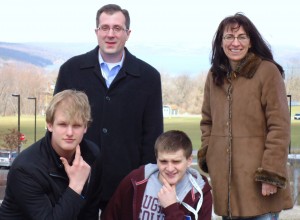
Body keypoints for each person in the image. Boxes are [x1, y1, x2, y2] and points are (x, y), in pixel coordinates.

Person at [54, 4, 163, 211]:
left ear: (128, 33)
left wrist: (143, 182)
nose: (110, 34)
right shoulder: (70, 70)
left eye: (117, 28)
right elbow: (56, 128)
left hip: (127, 184)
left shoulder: (149, 77)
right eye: (104, 28)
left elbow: (153, 137)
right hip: (76, 181)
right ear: (96, 32)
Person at [197, 12, 293, 219]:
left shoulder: (267, 71)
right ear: (220, 42)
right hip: (226, 185)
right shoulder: (215, 76)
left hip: (259, 184)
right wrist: (209, 154)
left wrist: (270, 174)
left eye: (242, 37)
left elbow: (279, 126)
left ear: (251, 42)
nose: (235, 43)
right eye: (229, 37)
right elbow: (207, 121)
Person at [0, 90, 101, 219]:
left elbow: (90, 211)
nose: (69, 132)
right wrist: (76, 185)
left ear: (85, 127)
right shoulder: (25, 168)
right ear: (50, 125)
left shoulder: (92, 155)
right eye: (62, 124)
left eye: (76, 125)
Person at [102, 130, 213, 220]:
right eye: (163, 161)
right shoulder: (136, 179)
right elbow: (110, 215)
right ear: (156, 159)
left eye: (176, 161)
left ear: (189, 161)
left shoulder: (201, 194)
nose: (170, 168)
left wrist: (171, 208)